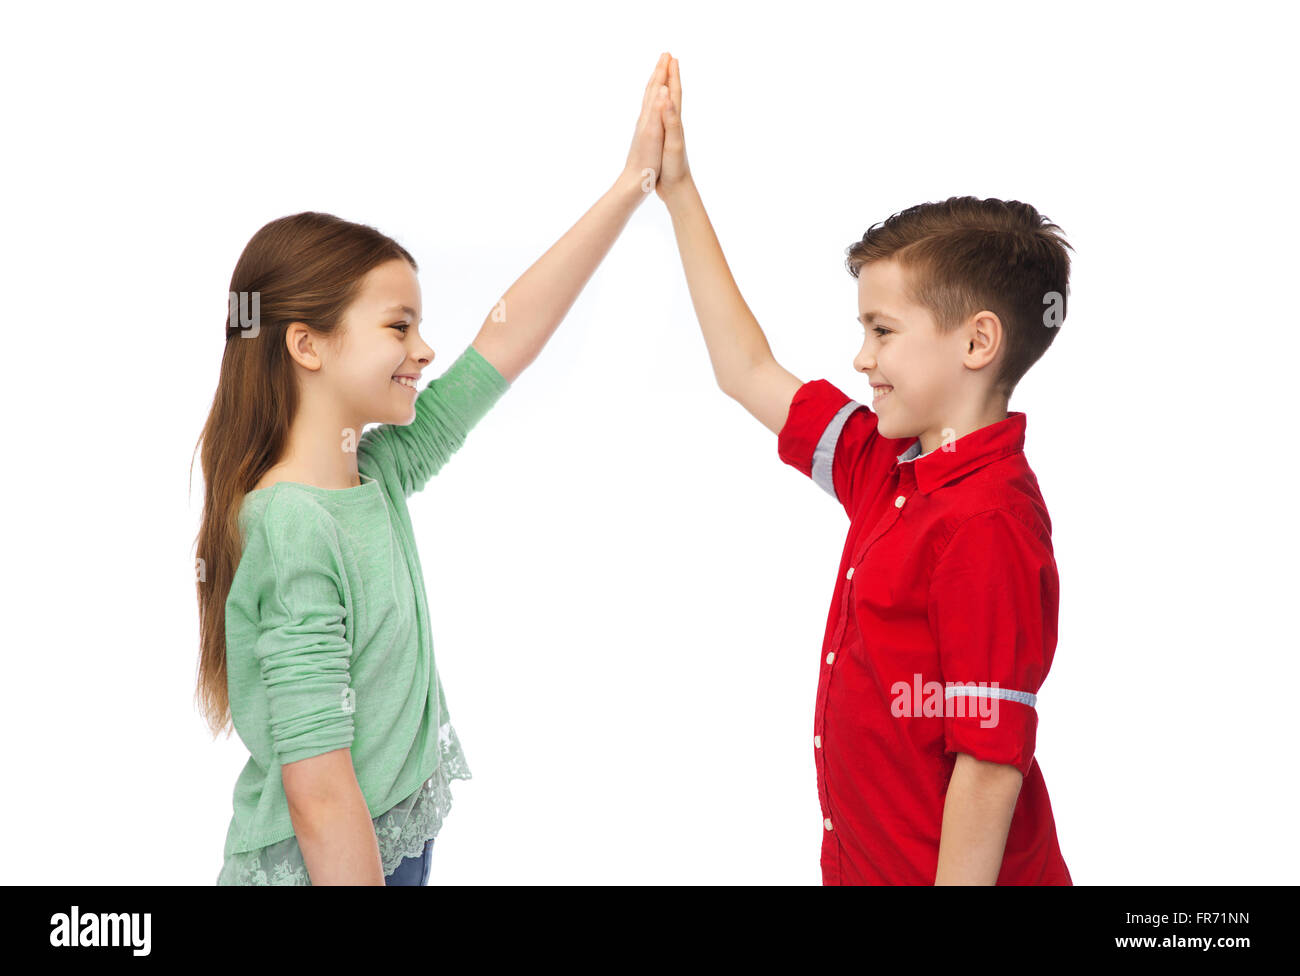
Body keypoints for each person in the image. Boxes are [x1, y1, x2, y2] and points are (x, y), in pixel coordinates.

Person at [193, 53, 677, 885]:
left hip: (388, 847)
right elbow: (318, 796)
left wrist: (634, 183)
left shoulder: (373, 469)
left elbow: (505, 338)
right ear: (306, 344)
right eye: (399, 326)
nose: (426, 349)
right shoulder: (294, 528)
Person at [652, 55, 1073, 884]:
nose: (860, 357)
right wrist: (679, 193)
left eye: (882, 331)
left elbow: (988, 766)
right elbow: (746, 370)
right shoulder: (890, 464)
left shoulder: (985, 525)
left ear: (976, 342)